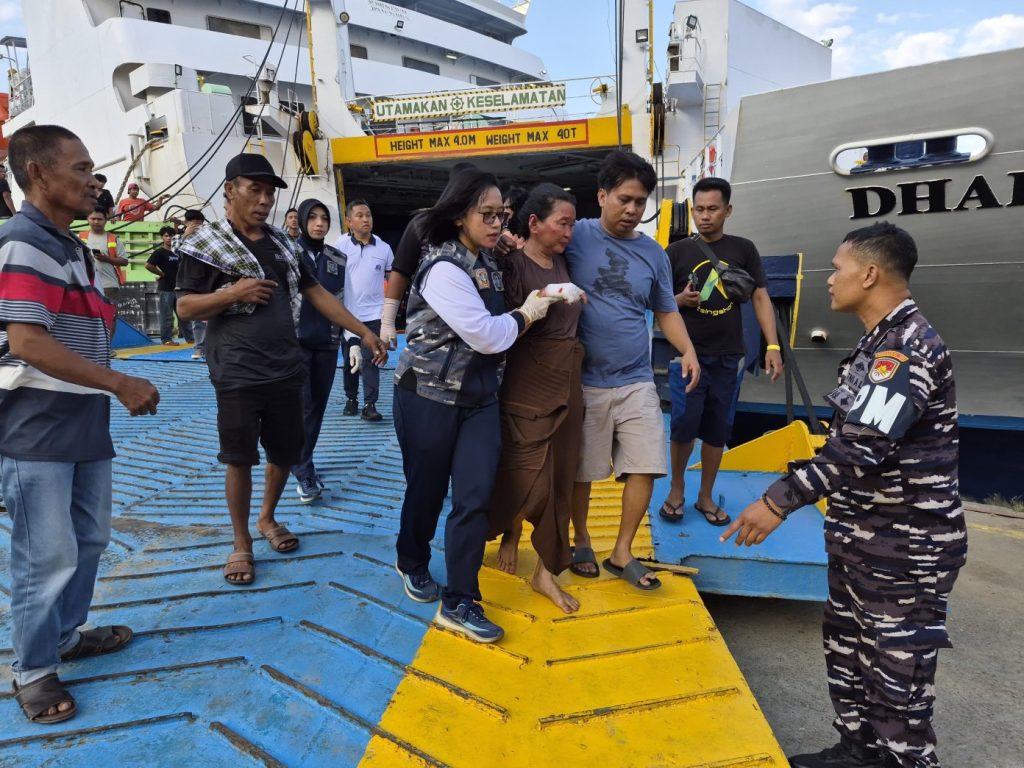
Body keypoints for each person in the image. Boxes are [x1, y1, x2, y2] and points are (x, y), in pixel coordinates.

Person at [721, 222, 967, 768]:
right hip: (866, 540)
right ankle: (858, 752)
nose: (830, 280)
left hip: (906, 549)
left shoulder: (906, 350)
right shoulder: (877, 342)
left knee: (898, 683)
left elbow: (861, 448)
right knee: (852, 655)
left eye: (838, 268)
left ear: (871, 273)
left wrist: (778, 500)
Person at [0, 124, 160, 725]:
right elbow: (27, 342)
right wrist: (119, 382)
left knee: (88, 540)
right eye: (81, 168)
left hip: (82, 420)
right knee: (45, 554)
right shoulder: (26, 243)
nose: (95, 180)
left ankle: (66, 634)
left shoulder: (70, 247)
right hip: (37, 426)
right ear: (39, 174)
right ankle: (34, 669)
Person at [175, 153, 387, 585]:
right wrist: (232, 292)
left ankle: (267, 519)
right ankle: (240, 542)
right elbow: (185, 305)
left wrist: (363, 334)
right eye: (255, 189)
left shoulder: (281, 243)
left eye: (270, 192)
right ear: (230, 190)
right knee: (238, 458)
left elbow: (318, 294)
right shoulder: (207, 244)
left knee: (284, 452)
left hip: (284, 365)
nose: (264, 200)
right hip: (236, 369)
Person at [393, 169, 561, 643]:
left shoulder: (486, 258)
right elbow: (488, 336)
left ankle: (461, 599)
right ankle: (411, 558)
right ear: (459, 214)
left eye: (500, 214)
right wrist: (528, 312)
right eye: (485, 214)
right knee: (425, 489)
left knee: (474, 497)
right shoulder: (444, 267)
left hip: (478, 399)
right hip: (427, 395)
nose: (495, 222)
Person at [565, 150, 700, 589]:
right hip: (583, 381)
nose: (632, 210)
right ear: (601, 196)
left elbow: (665, 310)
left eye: (641, 202)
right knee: (582, 471)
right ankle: (581, 537)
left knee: (646, 464)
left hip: (636, 377)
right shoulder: (577, 234)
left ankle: (622, 552)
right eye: (624, 199)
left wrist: (689, 349)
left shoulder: (653, 254)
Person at [660, 177, 783, 526]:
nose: (705, 216)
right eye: (699, 209)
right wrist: (680, 300)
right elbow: (660, 302)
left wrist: (772, 344)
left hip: (729, 356)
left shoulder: (744, 249)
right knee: (683, 426)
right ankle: (677, 490)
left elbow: (760, 296)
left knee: (718, 429)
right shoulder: (677, 252)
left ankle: (705, 496)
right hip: (688, 356)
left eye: (713, 209)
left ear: (727, 210)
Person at [489, 183, 585, 614]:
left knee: (562, 477)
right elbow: (504, 328)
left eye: (571, 223)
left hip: (568, 380)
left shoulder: (564, 260)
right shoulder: (511, 266)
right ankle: (507, 533)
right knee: (526, 474)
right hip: (526, 383)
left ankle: (546, 571)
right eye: (562, 223)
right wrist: (545, 297)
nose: (569, 231)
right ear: (533, 223)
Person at [291, 197, 359, 503]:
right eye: (313, 218)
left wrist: (353, 340)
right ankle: (303, 471)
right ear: (303, 220)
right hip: (295, 344)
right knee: (301, 407)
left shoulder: (338, 258)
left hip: (328, 344)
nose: (319, 223)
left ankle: (304, 460)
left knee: (317, 407)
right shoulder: (289, 254)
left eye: (324, 218)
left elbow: (345, 300)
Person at [380, 161, 479, 348]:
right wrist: (387, 322)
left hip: (472, 326)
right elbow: (400, 271)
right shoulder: (424, 224)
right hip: (431, 328)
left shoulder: (484, 227)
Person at [335, 199, 394, 421]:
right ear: (349, 221)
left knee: (371, 359)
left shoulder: (384, 248)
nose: (365, 219)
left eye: (368, 215)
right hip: (347, 314)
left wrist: (389, 317)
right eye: (359, 215)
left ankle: (370, 404)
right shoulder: (339, 245)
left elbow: (392, 280)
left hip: (374, 315)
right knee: (350, 358)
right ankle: (351, 398)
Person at [146, 225, 194, 346]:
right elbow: (148, 265)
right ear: (162, 238)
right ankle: (167, 339)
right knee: (167, 316)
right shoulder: (159, 252)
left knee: (184, 315)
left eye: (171, 235)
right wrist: (160, 273)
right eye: (166, 236)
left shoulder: (179, 251)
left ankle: (190, 339)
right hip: (166, 288)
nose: (169, 238)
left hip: (180, 288)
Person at [79, 207, 129, 301]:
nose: (96, 222)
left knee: (109, 315)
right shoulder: (80, 237)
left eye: (99, 219)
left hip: (108, 286)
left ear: (106, 220)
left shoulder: (114, 239)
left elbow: (124, 261)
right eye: (93, 219)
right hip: (86, 284)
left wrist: (106, 258)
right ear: (87, 219)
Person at [179, 210, 209, 359]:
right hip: (190, 281)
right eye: (193, 223)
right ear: (186, 223)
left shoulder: (208, 237)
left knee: (211, 315)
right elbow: (174, 251)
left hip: (207, 279)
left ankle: (209, 347)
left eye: (199, 223)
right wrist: (186, 235)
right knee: (197, 316)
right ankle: (199, 347)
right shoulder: (179, 238)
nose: (196, 226)